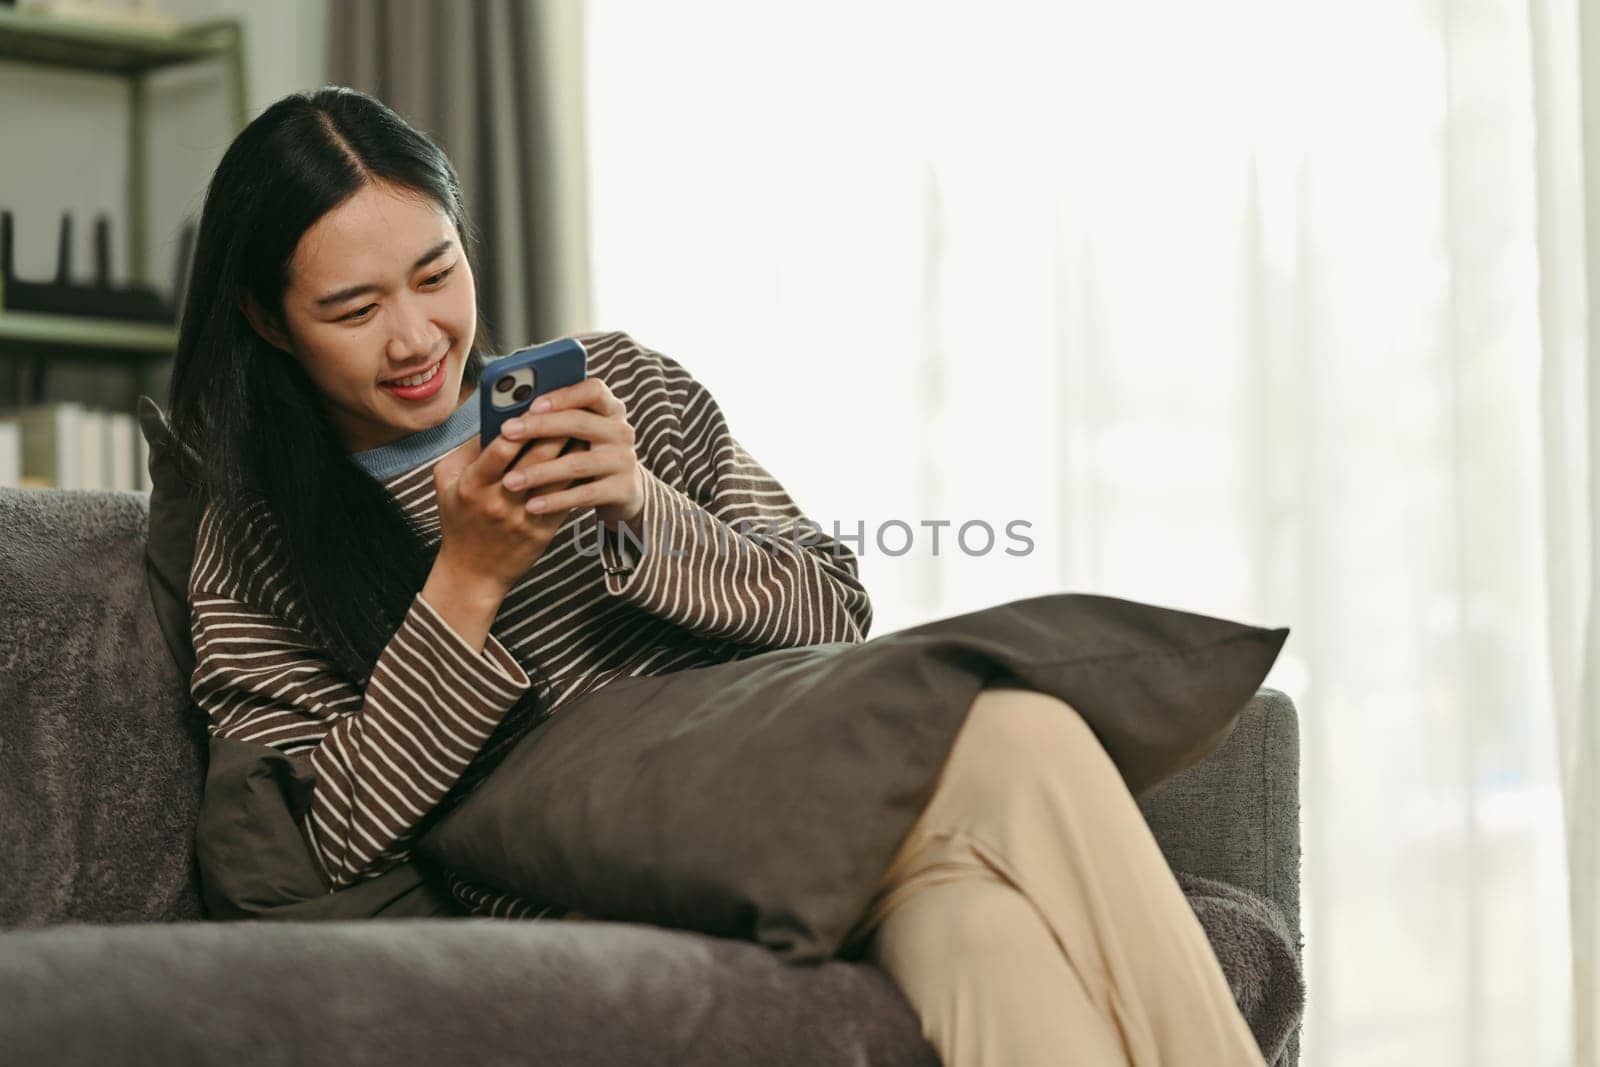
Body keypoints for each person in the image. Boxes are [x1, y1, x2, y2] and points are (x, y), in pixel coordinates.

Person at [169, 86, 1267, 1067]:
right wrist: (466, 579)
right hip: (595, 890)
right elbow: (334, 837)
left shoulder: (627, 391)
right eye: (353, 310)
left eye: (435, 273)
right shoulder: (257, 545)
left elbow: (830, 607)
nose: (415, 337)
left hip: (789, 820)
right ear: (269, 320)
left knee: (989, 939)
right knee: (1017, 728)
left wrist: (646, 509)